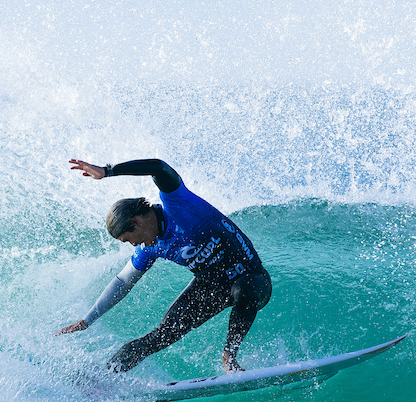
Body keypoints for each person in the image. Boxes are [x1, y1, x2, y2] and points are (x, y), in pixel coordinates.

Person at [55, 158, 272, 373]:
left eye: (128, 239)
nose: (134, 245)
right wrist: (87, 321)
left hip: (254, 278)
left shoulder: (177, 203)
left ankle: (229, 357)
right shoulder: (149, 248)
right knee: (161, 334)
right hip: (212, 285)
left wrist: (107, 171)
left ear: (136, 222)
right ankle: (104, 377)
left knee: (245, 287)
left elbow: (158, 167)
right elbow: (122, 282)